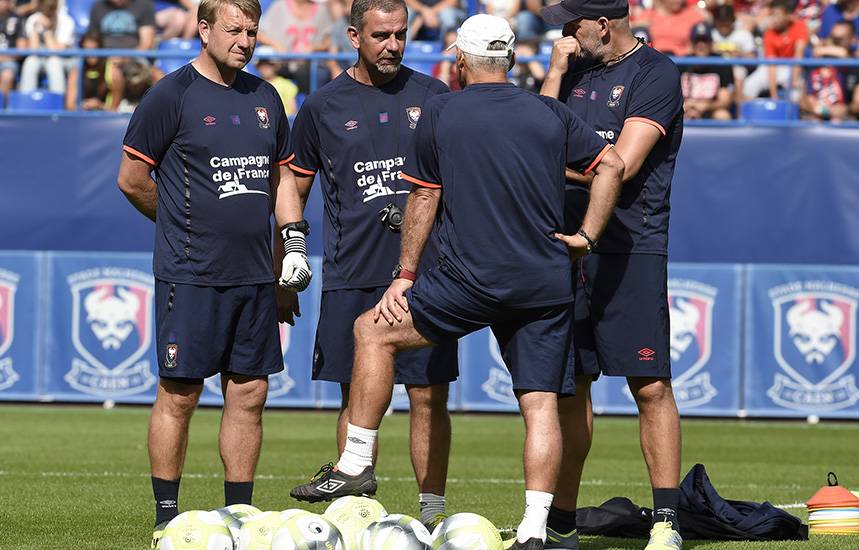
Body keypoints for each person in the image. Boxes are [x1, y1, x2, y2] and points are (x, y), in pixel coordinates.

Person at [290, 13, 624, 550]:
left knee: (372, 333)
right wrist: (586, 236)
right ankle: (536, 531)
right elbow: (612, 165)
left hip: (468, 280)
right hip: (543, 280)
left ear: (462, 60)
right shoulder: (548, 113)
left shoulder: (442, 109)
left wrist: (404, 276)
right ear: (511, 58)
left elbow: (423, 197)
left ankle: (355, 463)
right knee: (540, 406)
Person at [116, 0, 312, 547]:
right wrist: (184, 223)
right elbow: (132, 178)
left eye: (252, 31)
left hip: (255, 276)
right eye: (234, 30)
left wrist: (291, 248)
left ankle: (240, 516)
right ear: (203, 30)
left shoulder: (266, 97)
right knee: (179, 392)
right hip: (190, 273)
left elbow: (281, 182)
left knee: (249, 392)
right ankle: (166, 515)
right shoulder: (170, 95)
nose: (245, 41)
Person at [284, 0, 459, 530]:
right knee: (353, 395)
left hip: (423, 276)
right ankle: (353, 513)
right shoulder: (322, 105)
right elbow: (293, 185)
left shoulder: (434, 96)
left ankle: (432, 515)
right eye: (381, 35)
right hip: (351, 271)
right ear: (354, 36)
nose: (393, 46)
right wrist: (288, 252)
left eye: (400, 35)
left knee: (428, 396)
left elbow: (459, 178)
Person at [539, 0, 685, 549]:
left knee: (649, 385)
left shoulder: (657, 73)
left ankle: (667, 523)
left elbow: (621, 165)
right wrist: (553, 73)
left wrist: (551, 163)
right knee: (570, 390)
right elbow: (533, 134)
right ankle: (562, 525)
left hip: (630, 248)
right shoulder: (571, 70)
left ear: (602, 23)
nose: (565, 35)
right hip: (563, 245)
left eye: (571, 24)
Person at [87, 0, 156, 110]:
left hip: (136, 58)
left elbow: (146, 44)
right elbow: (92, 40)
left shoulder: (144, 5)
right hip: (105, 59)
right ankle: (114, 110)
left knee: (159, 77)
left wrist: (125, 58)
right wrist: (107, 58)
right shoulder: (98, 7)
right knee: (114, 72)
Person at [801, 20, 859, 121]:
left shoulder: (858, 67)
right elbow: (800, 97)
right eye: (833, 38)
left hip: (844, 119)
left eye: (840, 39)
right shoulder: (816, 62)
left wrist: (845, 110)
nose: (835, 42)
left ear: (853, 40)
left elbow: (858, 104)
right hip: (814, 116)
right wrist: (821, 110)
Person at [742, 0, 808, 101]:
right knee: (748, 86)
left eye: (777, 15)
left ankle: (794, 115)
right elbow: (771, 65)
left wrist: (794, 81)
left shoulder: (799, 26)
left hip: (792, 67)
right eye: (771, 15)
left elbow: (798, 56)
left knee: (796, 95)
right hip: (773, 67)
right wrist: (774, 95)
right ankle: (746, 116)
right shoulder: (769, 34)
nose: (774, 19)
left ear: (787, 15)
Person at [679, 22, 733, 120]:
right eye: (697, 41)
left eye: (705, 41)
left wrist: (706, 106)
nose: (701, 45)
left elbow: (725, 100)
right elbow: (671, 96)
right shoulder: (681, 64)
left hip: (710, 109)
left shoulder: (721, 64)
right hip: (685, 108)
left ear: (711, 44)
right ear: (691, 44)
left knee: (723, 115)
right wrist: (685, 106)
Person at [18, 0, 74, 94]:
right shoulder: (34, 19)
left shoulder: (66, 21)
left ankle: (57, 101)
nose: (47, 15)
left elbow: (57, 51)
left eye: (50, 12)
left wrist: (47, 31)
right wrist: (35, 30)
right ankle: (26, 100)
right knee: (30, 61)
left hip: (64, 59)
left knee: (53, 63)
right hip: (40, 56)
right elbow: (33, 50)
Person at [0, 0, 25, 104]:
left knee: (7, 75)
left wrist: (3, 58)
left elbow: (21, 49)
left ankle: (2, 108)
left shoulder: (17, 19)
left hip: (9, 61)